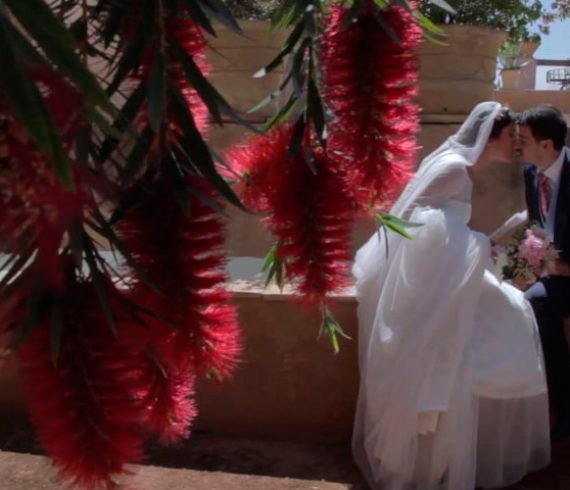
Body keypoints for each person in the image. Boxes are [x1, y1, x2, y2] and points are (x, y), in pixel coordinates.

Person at [352, 101, 550, 490]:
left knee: (511, 314)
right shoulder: (453, 169)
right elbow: (418, 227)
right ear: (489, 137)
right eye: (510, 136)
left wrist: (479, 244)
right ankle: (425, 464)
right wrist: (479, 242)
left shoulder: (464, 170)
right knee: (500, 323)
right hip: (429, 288)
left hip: (445, 279)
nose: (515, 144)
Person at [518, 104, 570, 442]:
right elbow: (536, 224)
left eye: (524, 140)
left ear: (547, 144)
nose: (518, 146)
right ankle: (560, 407)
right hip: (553, 277)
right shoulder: (530, 174)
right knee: (528, 304)